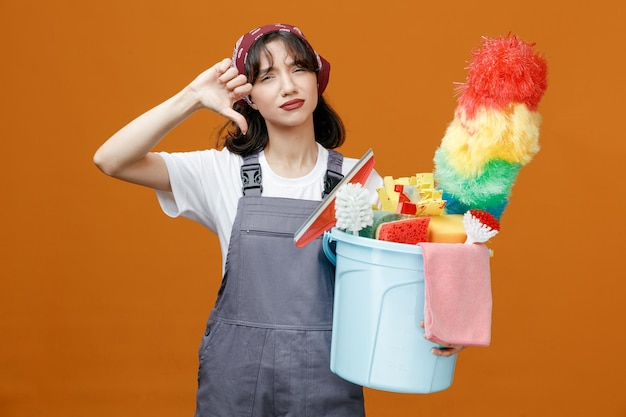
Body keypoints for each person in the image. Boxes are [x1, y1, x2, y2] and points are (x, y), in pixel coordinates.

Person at [94, 23, 464, 417]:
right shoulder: (222, 173)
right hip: (235, 382)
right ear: (247, 97)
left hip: (327, 380)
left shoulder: (357, 181)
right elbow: (111, 159)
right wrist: (192, 97)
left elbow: (390, 278)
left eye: (299, 69)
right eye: (267, 77)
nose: (288, 87)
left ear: (317, 80)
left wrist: (444, 318)